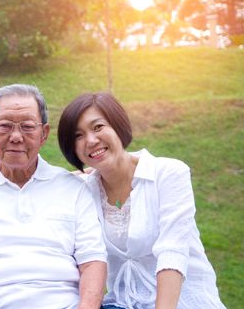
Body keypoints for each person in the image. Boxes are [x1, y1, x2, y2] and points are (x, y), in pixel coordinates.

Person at [0, 84, 107, 309]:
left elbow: (92, 262)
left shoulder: (73, 189)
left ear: (44, 134)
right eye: (5, 126)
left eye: (28, 127)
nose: (16, 137)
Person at [56, 92, 226, 309]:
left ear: (117, 125)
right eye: (78, 136)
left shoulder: (168, 173)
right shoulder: (84, 190)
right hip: (121, 303)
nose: (90, 140)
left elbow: (172, 252)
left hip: (181, 303)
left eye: (98, 127)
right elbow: (48, 185)